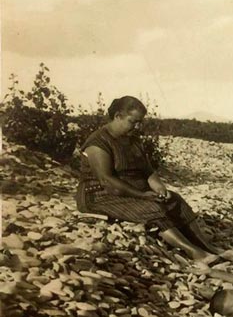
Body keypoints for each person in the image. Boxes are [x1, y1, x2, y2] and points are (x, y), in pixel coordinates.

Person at [75, 96, 216, 262]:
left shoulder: (133, 140)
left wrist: (159, 187)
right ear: (118, 116)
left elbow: (148, 171)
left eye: (140, 122)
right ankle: (193, 251)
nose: (137, 126)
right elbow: (107, 180)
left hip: (129, 191)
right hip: (100, 195)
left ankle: (207, 246)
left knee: (175, 201)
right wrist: (141, 195)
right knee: (153, 207)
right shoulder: (98, 142)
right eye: (133, 121)